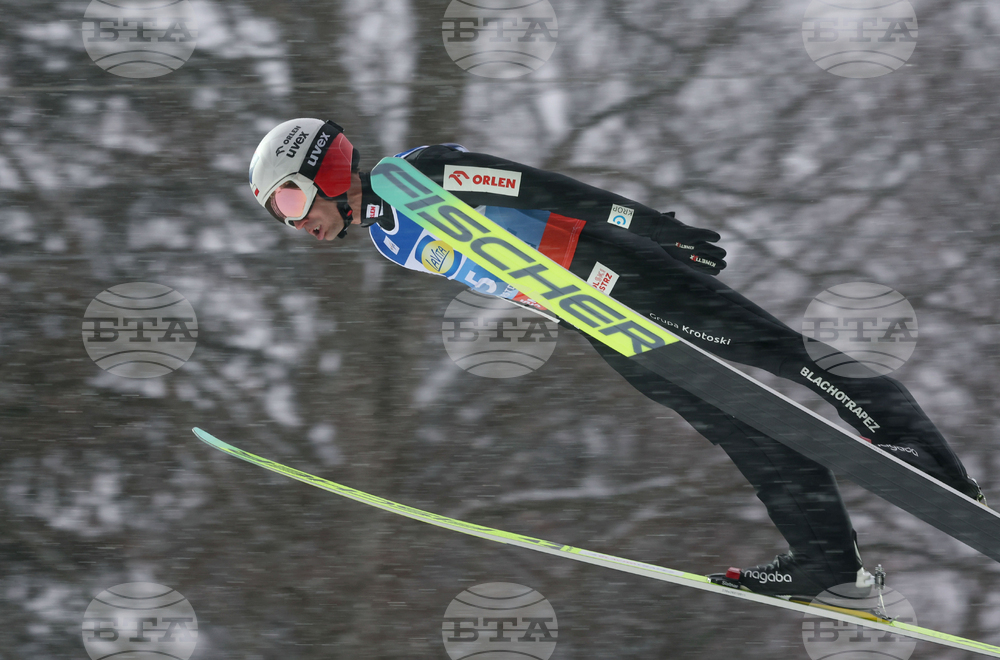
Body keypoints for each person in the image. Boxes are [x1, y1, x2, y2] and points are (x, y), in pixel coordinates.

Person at [248, 118, 986, 600]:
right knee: (739, 425)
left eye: (288, 202)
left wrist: (653, 228)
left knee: (784, 355)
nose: (294, 223)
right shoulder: (385, 234)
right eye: (278, 215)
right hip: (591, 315)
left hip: (617, 271)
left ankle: (924, 456)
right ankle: (827, 563)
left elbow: (545, 189)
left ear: (325, 169)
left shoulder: (417, 175)